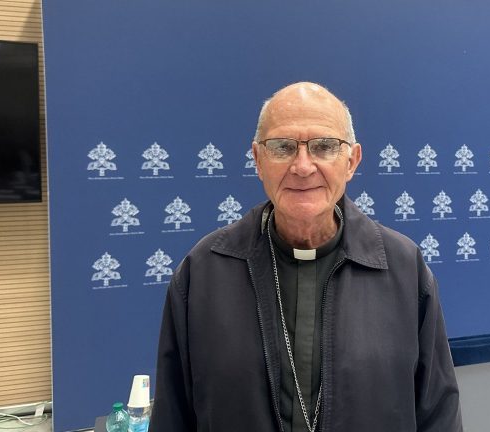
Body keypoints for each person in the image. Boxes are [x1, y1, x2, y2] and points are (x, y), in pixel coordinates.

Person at [150, 82, 462, 431]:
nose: (302, 166)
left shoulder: (404, 268)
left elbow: (439, 415)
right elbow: (172, 416)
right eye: (282, 147)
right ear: (258, 160)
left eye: (324, 146)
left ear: (351, 161)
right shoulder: (203, 271)